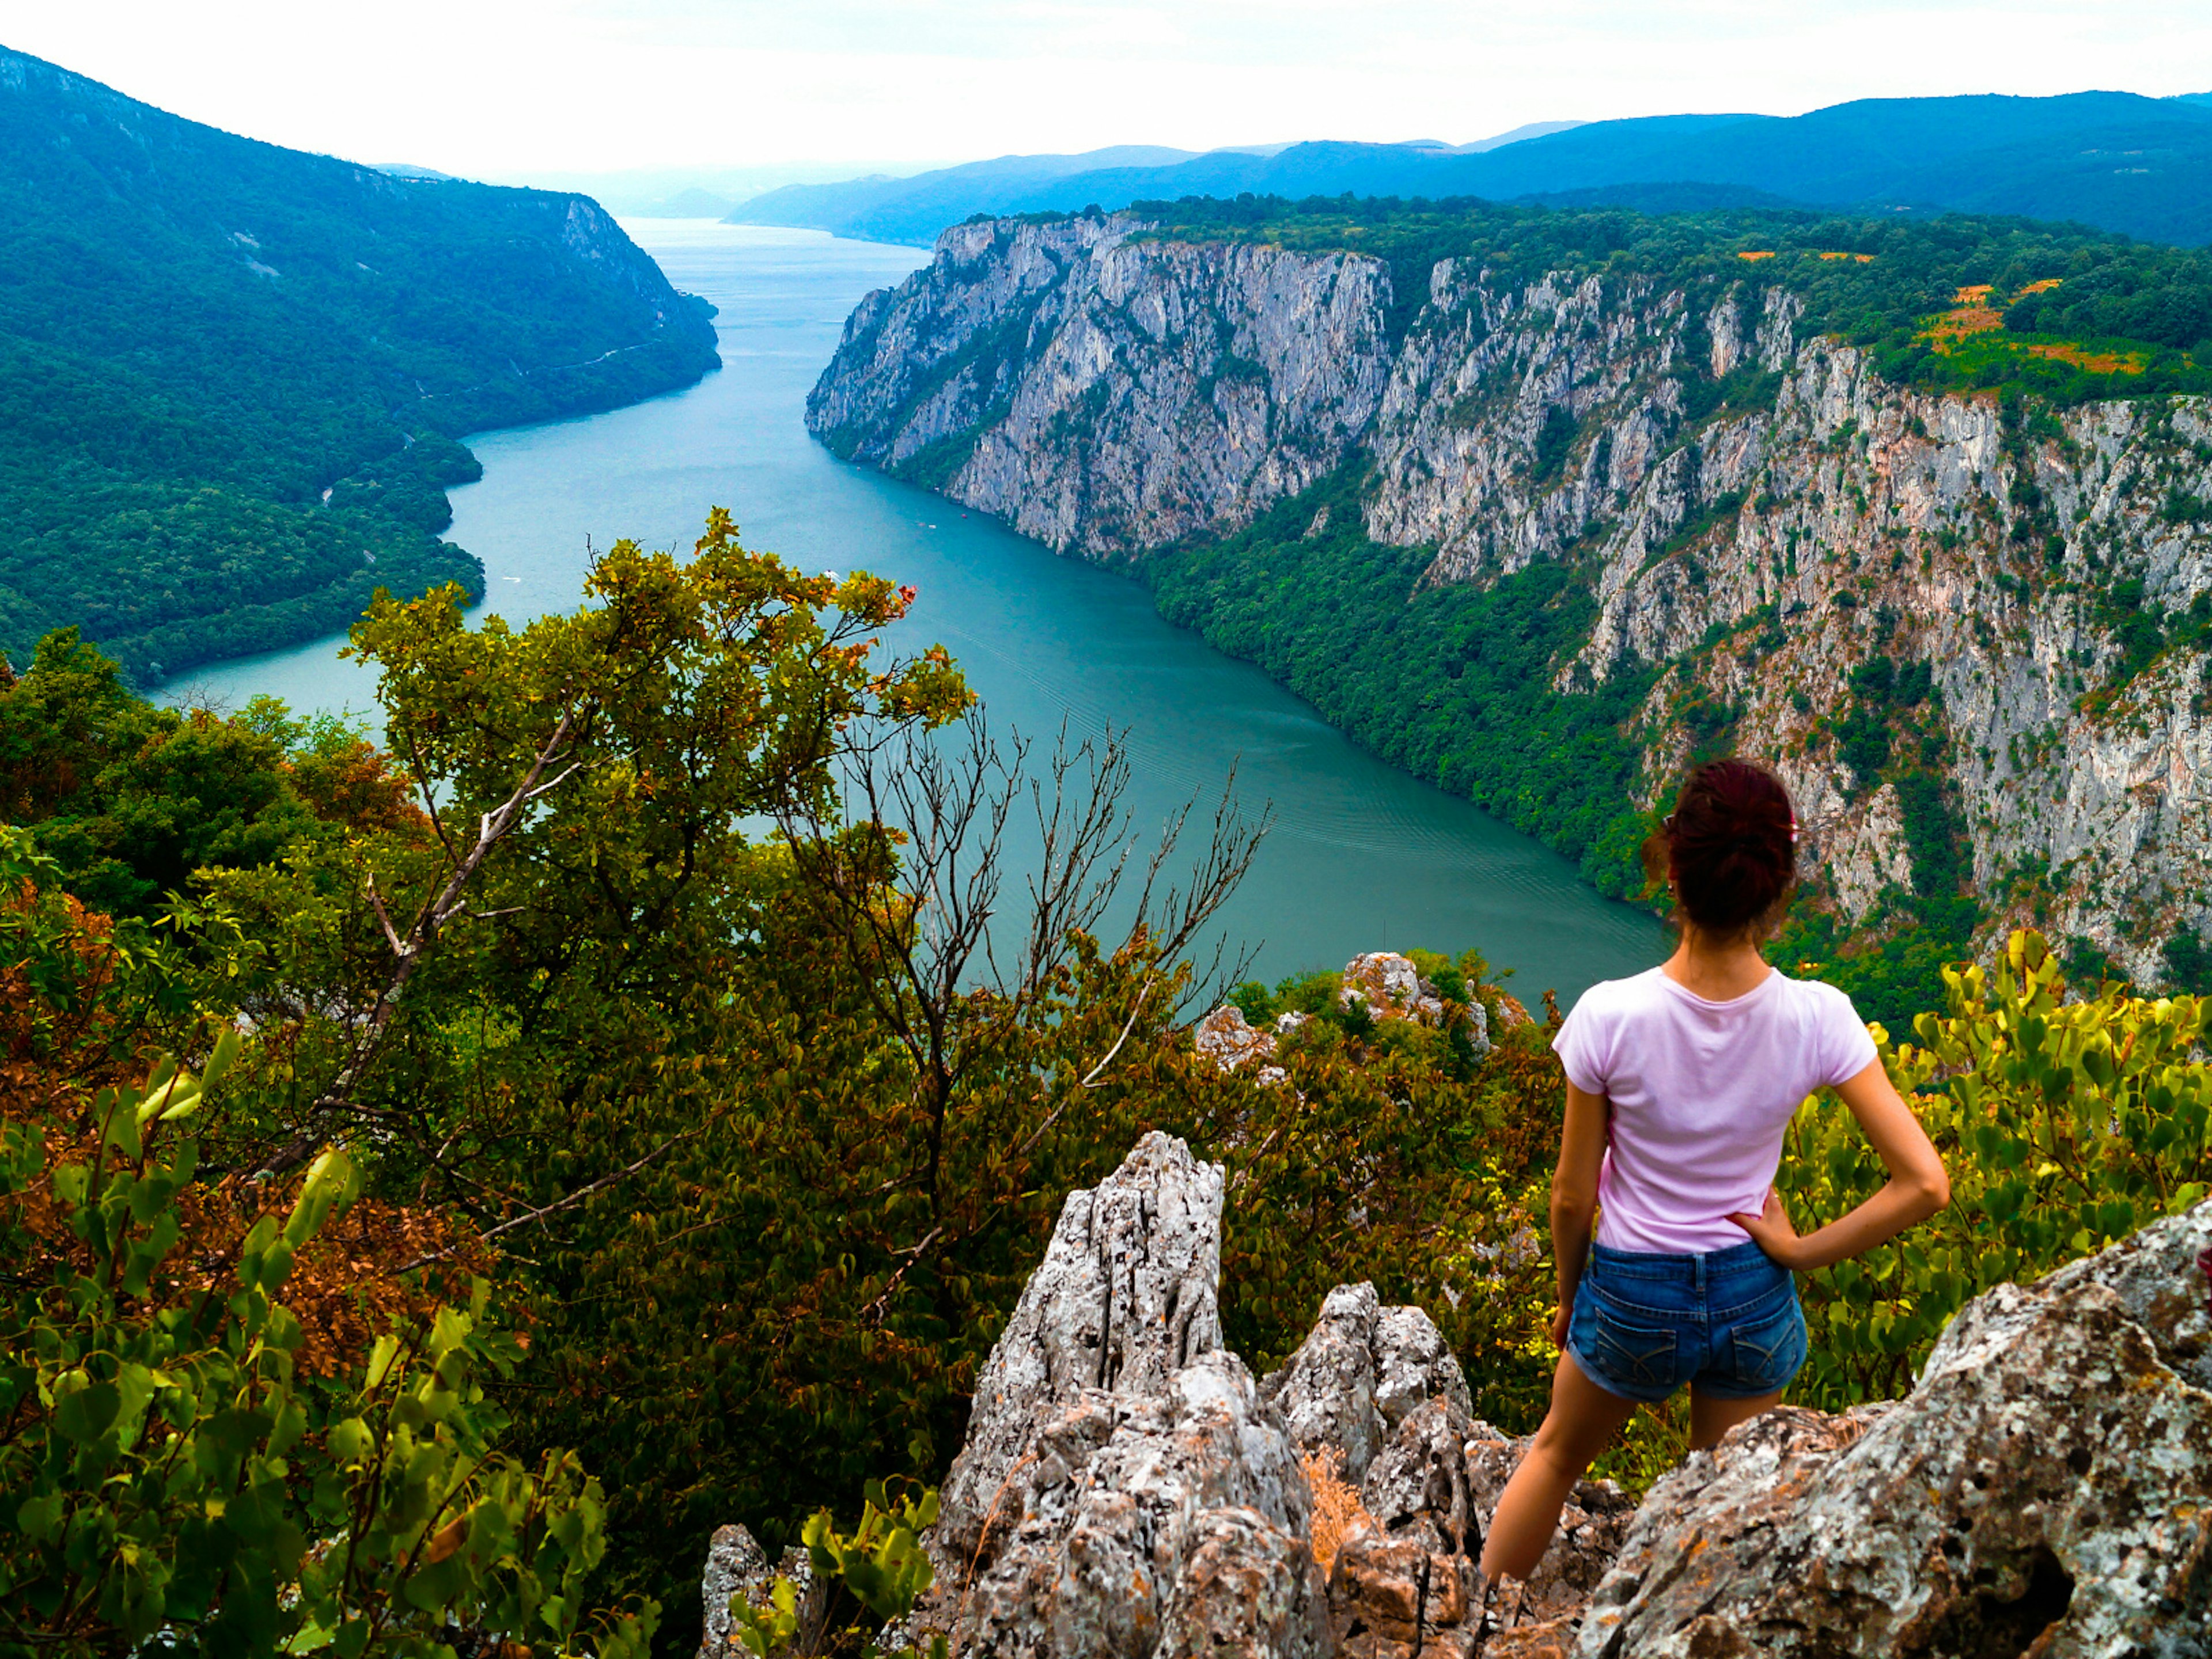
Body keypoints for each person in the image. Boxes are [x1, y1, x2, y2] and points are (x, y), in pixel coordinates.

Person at [1478, 759, 1950, 1583]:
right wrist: (1799, 1252)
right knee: (1714, 1501)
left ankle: (1473, 1628)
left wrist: (1569, 1299)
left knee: (1553, 1458)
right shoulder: (1820, 1018)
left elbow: (1571, 1195)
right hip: (1750, 1293)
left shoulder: (1610, 1016)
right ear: (1777, 888)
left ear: (1673, 874)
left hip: (1630, 1292)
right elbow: (1926, 1184)